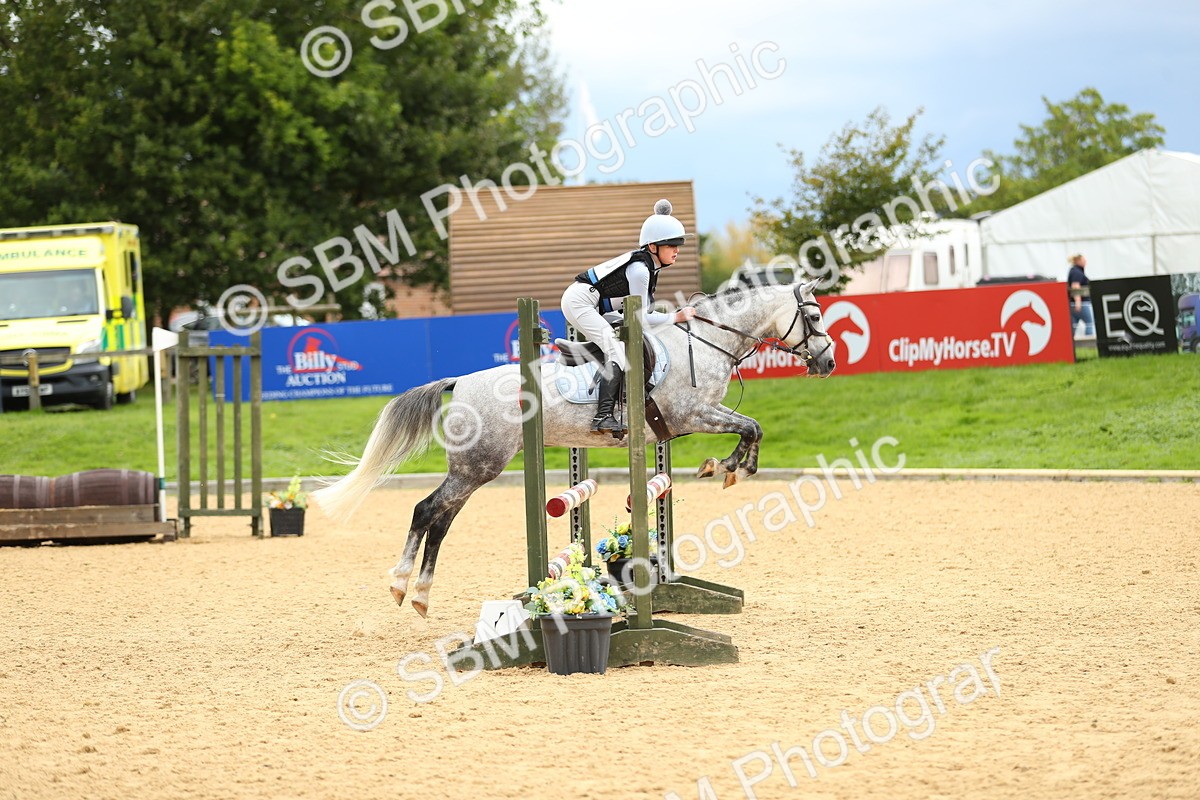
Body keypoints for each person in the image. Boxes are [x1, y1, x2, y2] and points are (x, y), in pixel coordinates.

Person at [561, 199, 697, 435]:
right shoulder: (640, 270)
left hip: (592, 304)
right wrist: (675, 318)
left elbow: (634, 315)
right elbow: (641, 319)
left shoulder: (648, 267)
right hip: (580, 302)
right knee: (616, 349)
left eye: (678, 245)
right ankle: (603, 416)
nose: (677, 251)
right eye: (671, 245)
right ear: (653, 247)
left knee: (620, 339)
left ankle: (580, 352)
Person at [1066, 254, 1094, 337]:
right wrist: (1078, 302)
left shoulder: (1073, 271)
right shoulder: (1077, 272)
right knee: (1089, 323)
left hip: (1073, 304)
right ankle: (1089, 343)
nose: (1085, 262)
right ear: (1077, 261)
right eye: (1083, 260)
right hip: (1082, 303)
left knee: (1073, 326)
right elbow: (1075, 287)